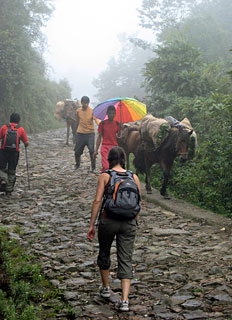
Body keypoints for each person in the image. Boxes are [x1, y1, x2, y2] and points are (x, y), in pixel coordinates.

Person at [87, 146, 141, 312]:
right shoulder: (134, 176)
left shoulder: (105, 175)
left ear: (109, 159)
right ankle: (125, 300)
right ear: (124, 159)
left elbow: (97, 201)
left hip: (108, 220)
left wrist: (91, 225)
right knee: (125, 258)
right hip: (128, 222)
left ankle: (106, 288)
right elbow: (139, 202)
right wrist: (133, 220)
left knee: (104, 252)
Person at [0, 113, 29, 194]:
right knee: (12, 170)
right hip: (14, 152)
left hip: (3, 151)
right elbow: (26, 142)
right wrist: (26, 145)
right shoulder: (20, 129)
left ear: (10, 119)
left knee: (1, 168)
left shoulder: (4, 127)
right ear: (19, 121)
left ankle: (3, 179)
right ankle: (9, 189)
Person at [74, 96, 100, 171]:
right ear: (81, 103)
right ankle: (77, 164)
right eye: (83, 103)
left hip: (90, 134)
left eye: (86, 103)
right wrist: (76, 133)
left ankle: (93, 167)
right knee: (77, 151)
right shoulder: (78, 111)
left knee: (92, 151)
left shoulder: (92, 111)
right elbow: (77, 120)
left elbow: (96, 120)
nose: (85, 104)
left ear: (88, 103)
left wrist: (100, 124)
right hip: (80, 133)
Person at [94, 105, 120, 172]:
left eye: (113, 113)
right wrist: (96, 150)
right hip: (105, 147)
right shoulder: (102, 124)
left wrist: (121, 128)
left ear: (115, 114)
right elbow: (99, 137)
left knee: (114, 167)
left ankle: (112, 181)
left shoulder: (117, 124)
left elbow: (120, 137)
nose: (111, 115)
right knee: (106, 166)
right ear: (107, 113)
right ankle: (104, 180)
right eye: (110, 113)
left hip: (115, 147)